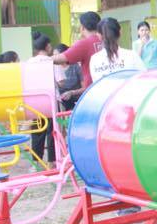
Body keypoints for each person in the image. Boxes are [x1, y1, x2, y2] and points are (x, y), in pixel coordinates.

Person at [52, 11, 102, 100]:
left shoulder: (84, 44)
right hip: (109, 90)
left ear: (82, 27)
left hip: (93, 93)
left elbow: (61, 58)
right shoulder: (107, 41)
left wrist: (42, 59)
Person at [90, 18, 146, 83]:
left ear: (99, 35)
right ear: (120, 32)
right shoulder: (131, 56)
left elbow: (96, 84)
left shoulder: (94, 59)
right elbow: (145, 78)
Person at [28, 32, 55, 165]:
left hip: (35, 101)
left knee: (37, 132)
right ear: (47, 46)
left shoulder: (29, 62)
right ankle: (52, 161)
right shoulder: (51, 61)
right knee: (52, 131)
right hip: (51, 101)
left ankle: (36, 162)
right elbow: (59, 80)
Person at [53, 43, 83, 111]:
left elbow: (85, 88)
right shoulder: (53, 69)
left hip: (76, 101)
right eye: (53, 55)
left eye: (56, 55)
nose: (54, 58)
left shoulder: (76, 67)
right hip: (61, 103)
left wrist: (72, 92)